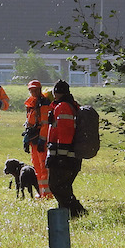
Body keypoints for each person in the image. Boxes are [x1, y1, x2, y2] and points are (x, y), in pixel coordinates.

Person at [46, 80, 86, 217]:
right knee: (64, 186)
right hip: (71, 156)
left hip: (64, 156)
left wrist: (61, 157)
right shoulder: (71, 105)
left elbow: (65, 133)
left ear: (55, 93)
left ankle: (77, 211)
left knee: (56, 186)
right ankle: (69, 214)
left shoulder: (62, 107)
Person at [24, 79, 53, 198]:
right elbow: (29, 122)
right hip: (33, 139)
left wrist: (42, 139)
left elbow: (45, 124)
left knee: (43, 166)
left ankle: (47, 193)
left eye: (35, 89)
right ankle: (41, 192)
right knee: (36, 165)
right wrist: (26, 138)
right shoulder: (31, 104)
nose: (33, 92)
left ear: (39, 90)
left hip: (41, 139)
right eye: (31, 90)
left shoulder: (43, 104)